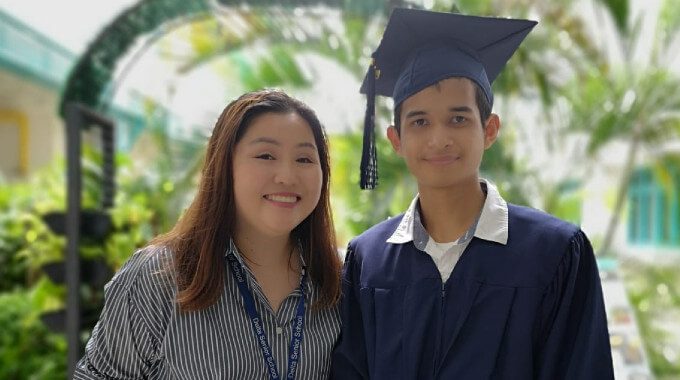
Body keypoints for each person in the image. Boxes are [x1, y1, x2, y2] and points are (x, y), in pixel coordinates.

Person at [332, 8, 614, 380]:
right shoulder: (369, 261)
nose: (439, 138)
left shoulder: (554, 252)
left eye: (458, 118)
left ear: (490, 129)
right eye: (419, 121)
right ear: (396, 140)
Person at [74, 89, 342, 379]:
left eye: (304, 159)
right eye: (266, 155)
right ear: (224, 166)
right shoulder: (160, 276)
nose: (287, 176)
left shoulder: (338, 282)